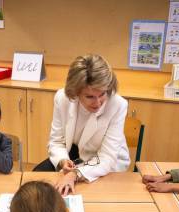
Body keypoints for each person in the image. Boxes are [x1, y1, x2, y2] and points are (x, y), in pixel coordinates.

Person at [33, 54, 130, 195]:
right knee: (37, 178)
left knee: (89, 195)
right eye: (89, 96)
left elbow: (107, 158)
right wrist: (62, 161)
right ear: (76, 92)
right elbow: (56, 141)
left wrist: (74, 174)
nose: (97, 103)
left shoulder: (118, 105)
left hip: (107, 161)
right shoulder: (63, 98)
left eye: (102, 94)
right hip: (75, 154)